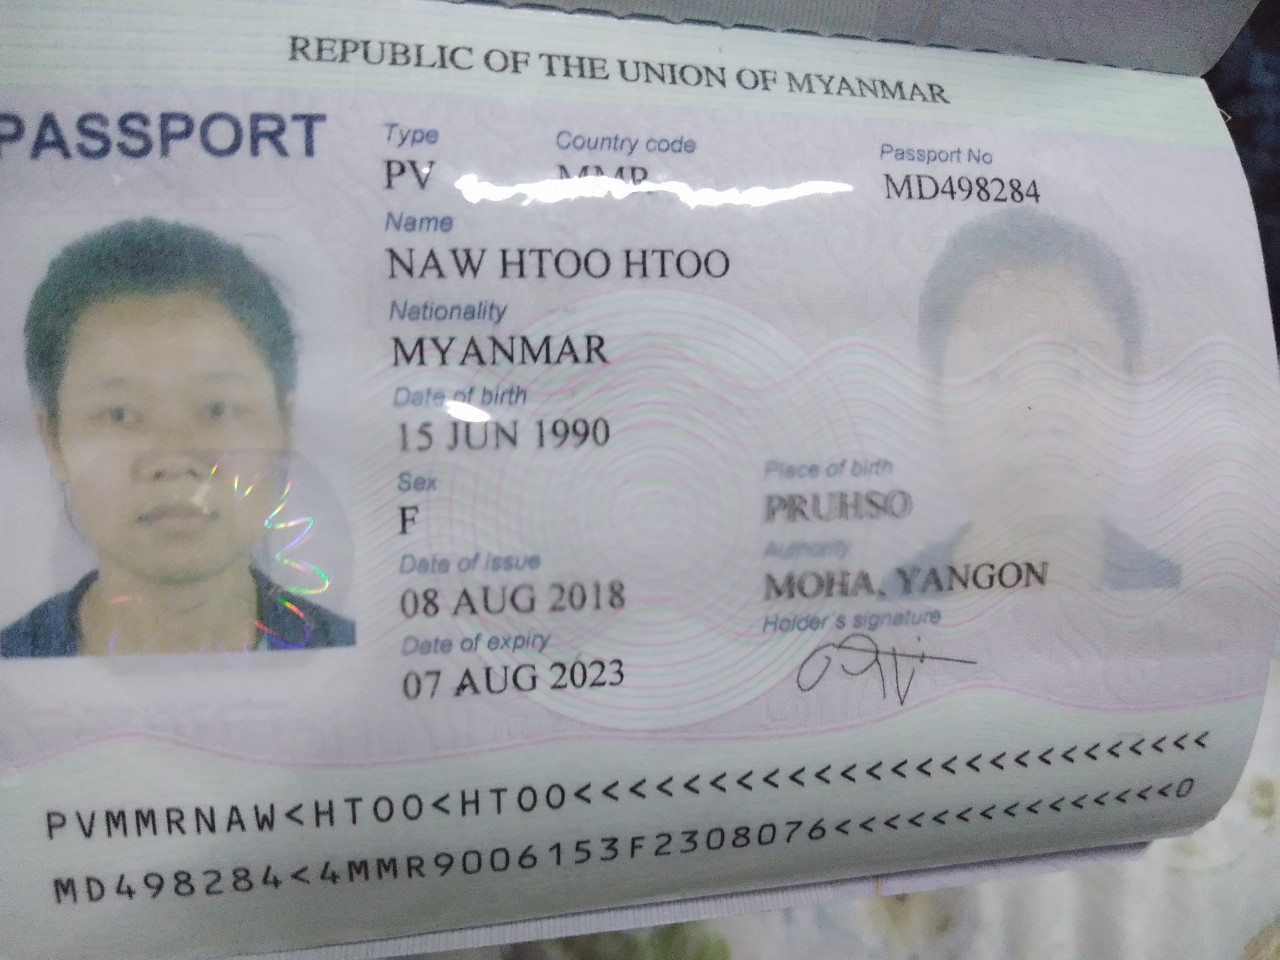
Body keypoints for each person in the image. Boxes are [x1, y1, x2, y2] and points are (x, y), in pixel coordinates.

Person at [1, 218, 355, 656]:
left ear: (285, 427)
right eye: (120, 415)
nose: (174, 458)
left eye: (218, 409)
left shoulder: (361, 662)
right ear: (53, 441)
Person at [894, 209, 1180, 595]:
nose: (1042, 412)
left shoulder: (1189, 602)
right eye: (996, 375)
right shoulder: (884, 608)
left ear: (1133, 385)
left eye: (1078, 373)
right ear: (935, 398)